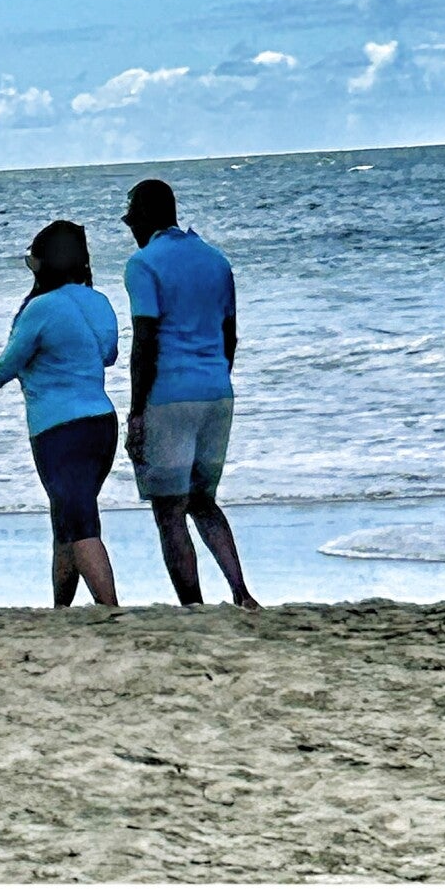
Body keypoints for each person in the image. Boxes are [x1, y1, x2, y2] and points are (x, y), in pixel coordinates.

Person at [0, 220, 120, 607]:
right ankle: (61, 608)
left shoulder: (40, 307)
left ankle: (111, 610)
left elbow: (10, 361)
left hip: (58, 428)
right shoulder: (98, 301)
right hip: (102, 423)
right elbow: (109, 355)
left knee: (79, 523)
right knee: (67, 518)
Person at [121, 178, 260, 609]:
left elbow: (145, 340)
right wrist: (216, 376)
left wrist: (136, 411)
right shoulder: (216, 260)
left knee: (169, 511)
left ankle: (192, 604)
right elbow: (230, 335)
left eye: (131, 217)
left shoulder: (142, 264)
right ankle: (241, 593)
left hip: (168, 396)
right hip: (217, 391)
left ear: (146, 217)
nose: (129, 225)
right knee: (203, 502)